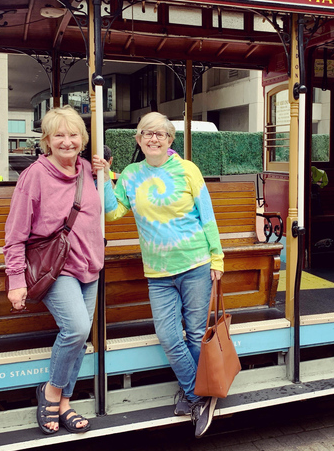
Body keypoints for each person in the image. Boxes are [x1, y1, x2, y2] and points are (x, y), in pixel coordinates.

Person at [93, 112, 223, 438]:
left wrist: (217, 258)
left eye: (160, 134)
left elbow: (206, 216)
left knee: (194, 335)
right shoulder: (132, 175)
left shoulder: (187, 170)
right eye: (147, 134)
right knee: (168, 337)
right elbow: (113, 211)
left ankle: (196, 394)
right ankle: (199, 396)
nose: (153, 139)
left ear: (170, 139)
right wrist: (105, 175)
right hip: (157, 273)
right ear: (138, 140)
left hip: (195, 265)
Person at [3, 106, 104, 435]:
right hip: (57, 269)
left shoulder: (88, 169)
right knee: (75, 329)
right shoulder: (34, 174)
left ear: (83, 140)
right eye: (59, 135)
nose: (67, 141)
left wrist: (107, 174)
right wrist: (15, 280)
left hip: (91, 268)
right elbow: (15, 234)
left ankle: (64, 403)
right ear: (47, 140)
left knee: (80, 337)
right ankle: (50, 391)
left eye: (73, 134)